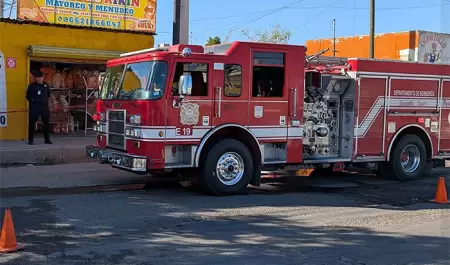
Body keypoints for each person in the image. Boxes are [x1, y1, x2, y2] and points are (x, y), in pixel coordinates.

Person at [26, 70, 52, 145]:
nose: (38, 79)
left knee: (46, 123)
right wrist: (32, 102)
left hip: (44, 106)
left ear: (43, 77)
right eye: (37, 77)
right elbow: (27, 96)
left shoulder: (46, 86)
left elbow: (48, 95)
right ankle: (31, 140)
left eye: (40, 77)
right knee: (32, 123)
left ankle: (47, 139)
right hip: (35, 107)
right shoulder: (31, 86)